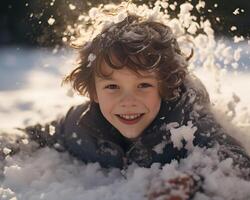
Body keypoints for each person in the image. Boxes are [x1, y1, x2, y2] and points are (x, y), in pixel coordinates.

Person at [1, 14, 250, 199]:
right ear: (93, 92)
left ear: (164, 88)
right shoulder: (81, 126)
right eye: (112, 87)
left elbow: (232, 158)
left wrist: (194, 181)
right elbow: (36, 135)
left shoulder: (187, 122)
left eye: (143, 85)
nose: (127, 101)